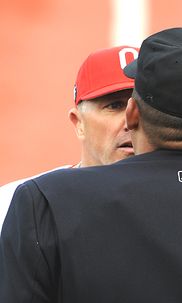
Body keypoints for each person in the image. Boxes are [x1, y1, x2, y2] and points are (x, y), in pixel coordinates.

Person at [0, 27, 182, 303]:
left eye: (131, 103)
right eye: (112, 105)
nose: (124, 120)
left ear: (136, 113)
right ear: (78, 122)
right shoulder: (11, 203)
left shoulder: (39, 203)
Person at [0, 45, 139, 233]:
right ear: (78, 123)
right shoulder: (14, 206)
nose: (131, 121)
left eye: (143, 106)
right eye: (114, 106)